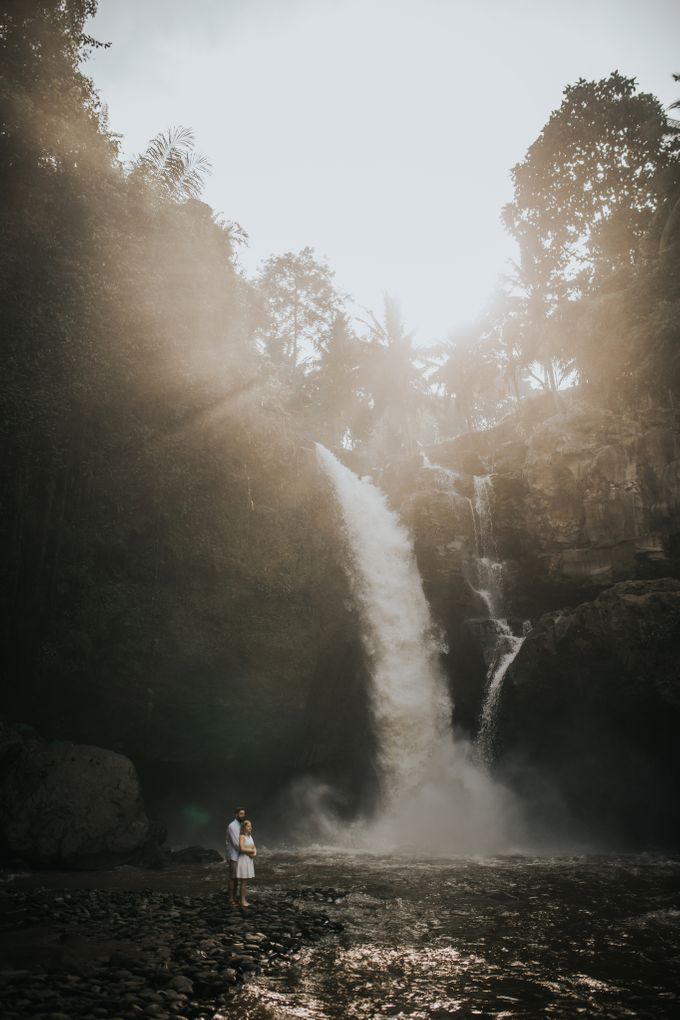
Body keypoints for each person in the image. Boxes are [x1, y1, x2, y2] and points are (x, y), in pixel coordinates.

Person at [226, 807, 246, 906]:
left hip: (239, 855)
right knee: (233, 877)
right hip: (234, 855)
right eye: (241, 814)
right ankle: (230, 899)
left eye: (244, 814)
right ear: (236, 814)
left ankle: (234, 898)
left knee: (237, 877)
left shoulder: (240, 825)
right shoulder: (232, 826)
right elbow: (235, 843)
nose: (243, 815)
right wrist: (247, 851)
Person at [236, 819, 256, 907]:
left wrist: (254, 853)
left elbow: (254, 847)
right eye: (248, 826)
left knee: (246, 881)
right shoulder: (242, 837)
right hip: (243, 860)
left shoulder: (250, 837)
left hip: (249, 860)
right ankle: (242, 901)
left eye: (251, 826)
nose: (250, 827)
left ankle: (244, 898)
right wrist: (251, 851)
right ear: (244, 827)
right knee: (243, 882)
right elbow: (241, 848)